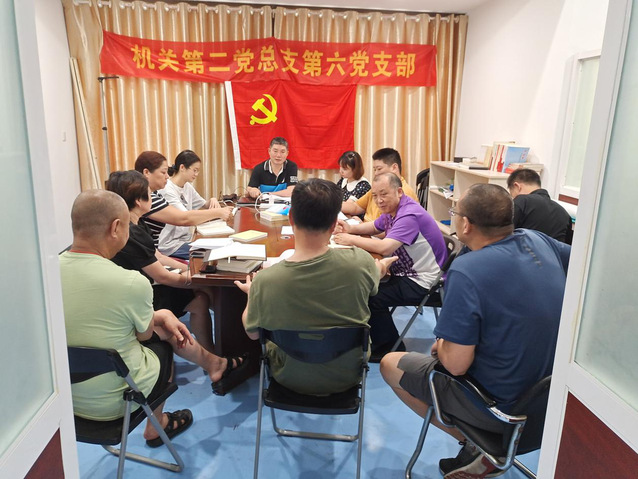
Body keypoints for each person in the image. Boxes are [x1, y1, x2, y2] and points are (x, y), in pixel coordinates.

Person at [380, 184, 570, 479]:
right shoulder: (540, 240)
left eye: (455, 213)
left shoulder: (467, 269)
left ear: (466, 224)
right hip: (555, 404)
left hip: (502, 412)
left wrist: (443, 344)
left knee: (389, 364)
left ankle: (481, 445)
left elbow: (456, 365)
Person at [61, 191, 247, 444]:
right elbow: (145, 335)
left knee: (161, 322)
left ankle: (216, 364)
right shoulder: (130, 282)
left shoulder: (47, 272)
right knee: (163, 341)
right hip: (119, 401)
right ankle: (157, 425)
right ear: (116, 228)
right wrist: (161, 317)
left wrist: (159, 314)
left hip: (65, 401)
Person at [234, 178, 397, 395]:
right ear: (334, 224)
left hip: (287, 374)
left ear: (291, 218)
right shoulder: (361, 263)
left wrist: (251, 295)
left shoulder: (265, 281)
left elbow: (252, 333)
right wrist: (382, 267)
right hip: (347, 374)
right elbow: (376, 275)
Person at [334, 172, 447, 361]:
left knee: (371, 294)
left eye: (384, 194)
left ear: (399, 192)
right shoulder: (393, 210)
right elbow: (375, 226)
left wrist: (350, 239)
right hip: (407, 273)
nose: (379, 200)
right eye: (375, 195)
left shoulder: (409, 214)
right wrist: (351, 228)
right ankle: (375, 337)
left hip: (425, 282)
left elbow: (385, 247)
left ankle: (388, 347)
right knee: (367, 286)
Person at [106, 169, 217, 354]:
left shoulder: (138, 223)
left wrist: (190, 269)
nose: (153, 197)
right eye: (150, 194)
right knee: (202, 296)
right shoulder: (131, 233)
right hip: (140, 297)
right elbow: (162, 276)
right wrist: (195, 279)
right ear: (138, 201)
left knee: (204, 292)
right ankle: (213, 352)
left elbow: (158, 256)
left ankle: (214, 350)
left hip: (146, 286)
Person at [134, 150, 232, 248]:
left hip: (171, 244)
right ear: (146, 172)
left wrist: (213, 201)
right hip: (170, 244)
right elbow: (184, 218)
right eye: (163, 172)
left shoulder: (155, 194)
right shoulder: (147, 198)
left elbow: (199, 207)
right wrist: (218, 212)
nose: (167, 176)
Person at [158, 150, 230, 258]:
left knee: (219, 245)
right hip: (170, 244)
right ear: (182, 167)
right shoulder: (168, 189)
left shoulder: (187, 186)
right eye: (194, 170)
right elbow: (187, 218)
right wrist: (218, 213)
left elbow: (204, 205)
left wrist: (213, 199)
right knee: (212, 253)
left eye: (198, 171)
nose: (196, 174)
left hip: (185, 238)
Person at [341, 148, 418, 222]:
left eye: (379, 169)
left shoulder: (404, 193)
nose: (376, 173)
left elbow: (389, 226)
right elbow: (356, 207)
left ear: (394, 167)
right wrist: (335, 205)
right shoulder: (378, 187)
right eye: (374, 169)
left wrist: (360, 226)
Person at [507, 168, 573, 244]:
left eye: (512, 195)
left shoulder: (522, 201)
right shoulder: (564, 214)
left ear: (517, 186)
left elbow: (503, 236)